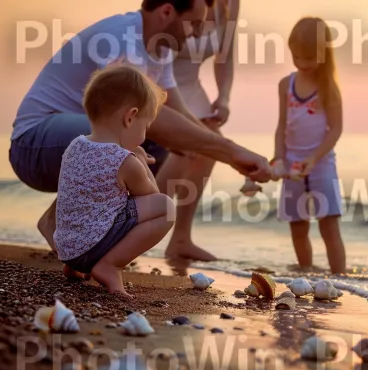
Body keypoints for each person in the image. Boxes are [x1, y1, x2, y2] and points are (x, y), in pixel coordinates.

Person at [8, 0, 271, 263]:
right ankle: (95, 238)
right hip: (34, 146)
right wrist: (233, 152)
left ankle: (60, 223)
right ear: (167, 11)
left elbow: (174, 111)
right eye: (194, 24)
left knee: (152, 143)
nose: (198, 33)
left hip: (70, 150)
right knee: (127, 132)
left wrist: (220, 147)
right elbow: (145, 115)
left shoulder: (161, 50)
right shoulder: (119, 39)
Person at [55, 64, 175, 298]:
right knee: (167, 207)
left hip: (68, 249)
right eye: (145, 127)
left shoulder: (75, 146)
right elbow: (153, 197)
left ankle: (74, 267)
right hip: (94, 248)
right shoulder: (124, 160)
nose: (145, 135)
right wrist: (139, 159)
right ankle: (110, 265)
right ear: (130, 117)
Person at [162, 0, 240, 261]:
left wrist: (225, 97)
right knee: (188, 150)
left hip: (192, 90)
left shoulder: (231, 3)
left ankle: (181, 239)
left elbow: (225, 52)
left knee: (209, 148)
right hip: (160, 86)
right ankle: (132, 228)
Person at [272, 17, 346, 274]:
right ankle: (305, 273)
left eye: (308, 58)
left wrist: (314, 159)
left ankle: (341, 278)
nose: (302, 64)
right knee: (298, 225)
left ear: (323, 54)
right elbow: (282, 125)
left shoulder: (328, 88)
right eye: (297, 57)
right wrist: (278, 158)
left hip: (321, 163)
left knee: (328, 225)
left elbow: (336, 129)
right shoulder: (286, 85)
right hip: (292, 164)